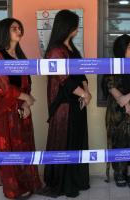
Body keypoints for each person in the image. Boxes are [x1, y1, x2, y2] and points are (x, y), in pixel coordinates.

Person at [0, 18, 42, 199]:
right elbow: (4, 88)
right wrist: (26, 98)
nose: (19, 31)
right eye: (14, 28)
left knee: (25, 147)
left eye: (20, 28)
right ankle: (13, 190)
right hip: (5, 111)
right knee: (9, 150)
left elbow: (27, 83)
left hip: (23, 109)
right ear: (5, 31)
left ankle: (27, 184)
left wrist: (27, 103)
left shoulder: (20, 55)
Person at [42, 10, 92, 198]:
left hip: (77, 100)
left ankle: (76, 180)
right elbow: (65, 79)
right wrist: (83, 94)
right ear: (68, 27)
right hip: (64, 104)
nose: (77, 29)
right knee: (65, 142)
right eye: (75, 25)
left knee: (76, 141)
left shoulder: (71, 47)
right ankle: (62, 183)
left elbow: (80, 73)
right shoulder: (56, 50)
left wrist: (87, 92)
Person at [102, 34, 130, 188]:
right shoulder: (113, 65)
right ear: (121, 48)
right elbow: (110, 85)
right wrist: (125, 104)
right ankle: (118, 172)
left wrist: (127, 98)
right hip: (117, 112)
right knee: (118, 141)